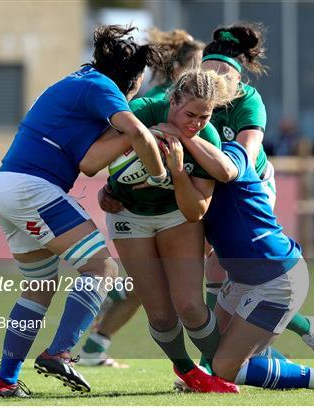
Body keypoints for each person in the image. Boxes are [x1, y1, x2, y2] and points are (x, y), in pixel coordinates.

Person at [0, 25, 169, 397]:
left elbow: (88, 163)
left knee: (40, 286)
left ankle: (4, 380)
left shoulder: (80, 83)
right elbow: (136, 133)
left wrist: (134, 138)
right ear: (131, 81)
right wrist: (161, 175)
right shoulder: (102, 87)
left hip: (6, 186)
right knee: (102, 267)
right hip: (32, 188)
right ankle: (60, 352)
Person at [159, 132, 314, 391]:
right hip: (244, 276)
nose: (195, 122)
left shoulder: (234, 149)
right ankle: (283, 352)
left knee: (224, 367)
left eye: (201, 115)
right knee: (214, 348)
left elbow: (227, 169)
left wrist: (182, 141)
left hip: (276, 277)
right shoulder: (190, 164)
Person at [79, 69, 239, 393]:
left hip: (176, 216)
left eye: (204, 117)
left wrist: (178, 170)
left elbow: (196, 211)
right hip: (129, 217)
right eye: (190, 114)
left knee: (191, 307)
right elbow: (93, 160)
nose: (196, 122)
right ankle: (188, 372)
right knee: (162, 316)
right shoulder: (139, 112)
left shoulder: (205, 138)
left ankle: (223, 366)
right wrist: (138, 142)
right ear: (173, 100)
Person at [198, 23, 314, 366]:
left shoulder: (249, 102)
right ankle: (226, 355)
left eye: (224, 72)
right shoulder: (190, 96)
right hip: (209, 184)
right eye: (208, 70)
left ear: (239, 78)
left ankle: (240, 354)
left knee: (230, 267)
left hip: (250, 185)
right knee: (211, 276)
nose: (215, 79)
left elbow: (242, 160)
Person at [80, 27, 204, 368]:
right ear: (182, 70)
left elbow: (118, 160)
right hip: (167, 212)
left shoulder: (170, 98)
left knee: (151, 288)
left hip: (170, 209)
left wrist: (113, 187)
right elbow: (124, 154)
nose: (206, 74)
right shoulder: (169, 102)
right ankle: (222, 361)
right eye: (200, 65)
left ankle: (96, 341)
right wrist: (117, 187)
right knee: (168, 292)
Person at [145, 28, 204, 99]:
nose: (202, 72)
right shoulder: (163, 100)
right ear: (177, 69)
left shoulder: (158, 94)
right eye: (196, 66)